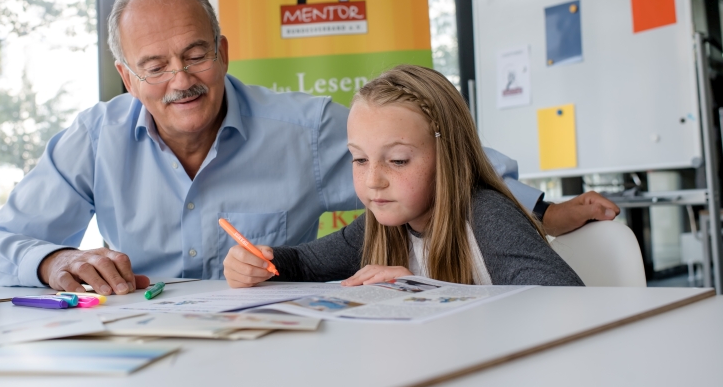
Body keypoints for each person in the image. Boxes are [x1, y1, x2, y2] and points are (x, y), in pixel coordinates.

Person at [0, 0, 613, 294]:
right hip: (143, 349)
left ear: (224, 51)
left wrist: (537, 208)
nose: (180, 80)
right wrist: (56, 260)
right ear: (128, 77)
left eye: (196, 55)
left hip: (278, 356)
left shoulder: (306, 128)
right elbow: (3, 243)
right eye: (155, 67)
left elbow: (436, 153)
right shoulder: (92, 138)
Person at [223, 65, 584, 288]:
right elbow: (301, 263)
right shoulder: (379, 225)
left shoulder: (486, 215)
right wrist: (258, 262)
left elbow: (560, 302)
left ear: (447, 155)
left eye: (397, 161)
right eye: (359, 159)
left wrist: (424, 292)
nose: (373, 180)